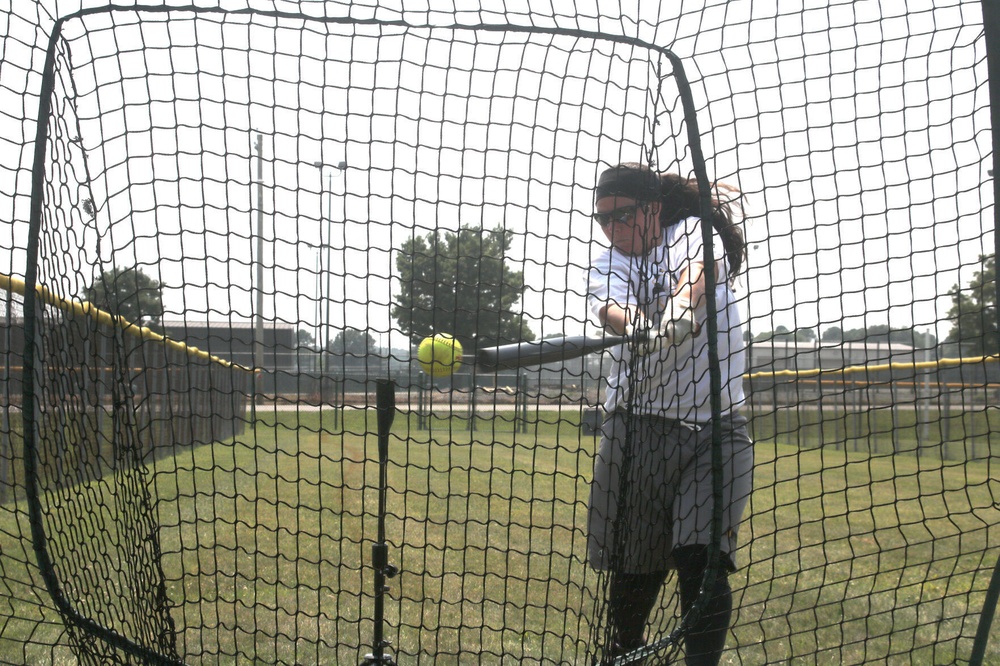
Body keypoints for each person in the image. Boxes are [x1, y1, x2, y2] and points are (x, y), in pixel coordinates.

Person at [586, 163, 754, 665]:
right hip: (639, 425)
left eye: (622, 216)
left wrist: (682, 306)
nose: (612, 228)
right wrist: (638, 323)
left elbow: (699, 268)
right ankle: (625, 649)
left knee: (702, 561)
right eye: (603, 220)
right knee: (635, 568)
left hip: (717, 429)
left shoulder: (691, 232)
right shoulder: (607, 261)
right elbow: (609, 309)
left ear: (653, 209)